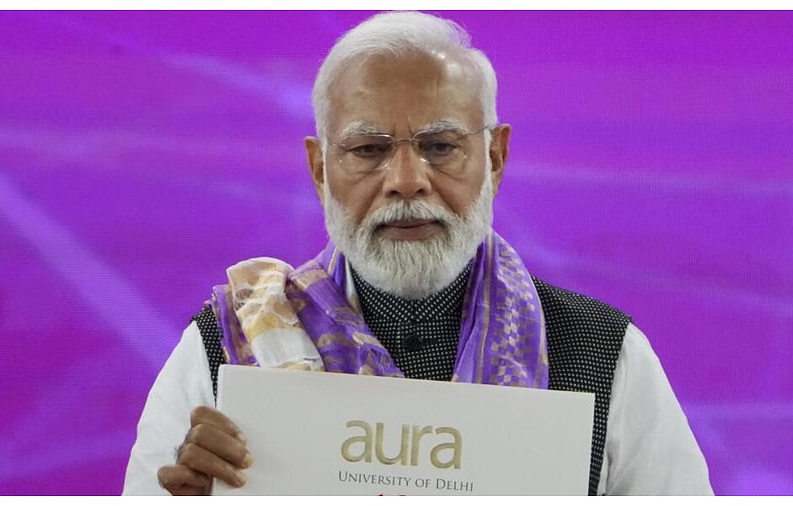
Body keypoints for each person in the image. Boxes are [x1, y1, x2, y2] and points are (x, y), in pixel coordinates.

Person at [122, 11, 713, 496]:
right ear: (319, 169)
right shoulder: (224, 351)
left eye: (440, 145)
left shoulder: (602, 354)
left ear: (497, 159)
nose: (407, 180)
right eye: (368, 149)